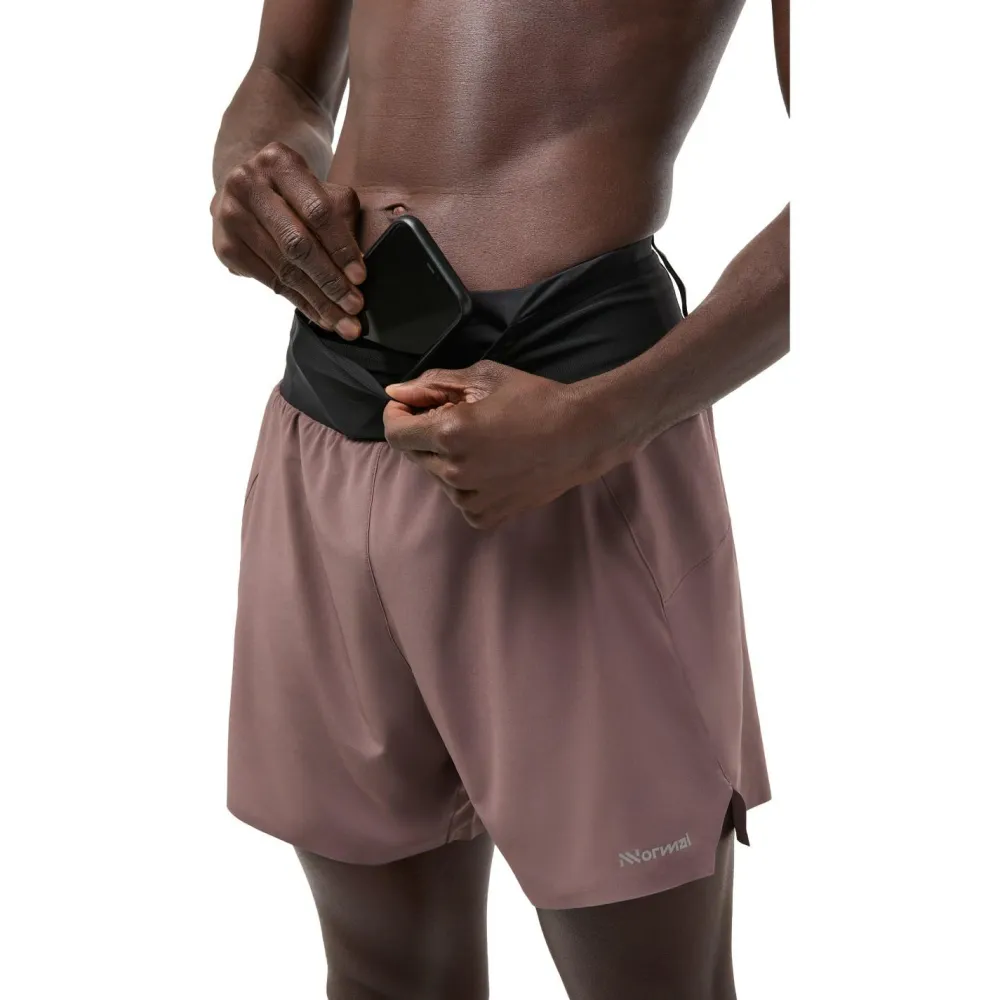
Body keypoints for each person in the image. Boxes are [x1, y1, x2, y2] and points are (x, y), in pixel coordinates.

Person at [211, 0, 789, 995]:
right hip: (326, 423)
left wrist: (605, 421)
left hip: (574, 449)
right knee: (384, 974)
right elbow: (286, 75)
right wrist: (256, 175)